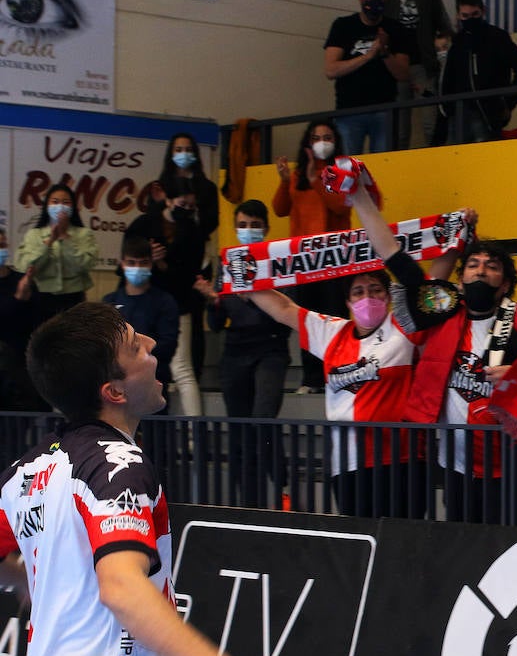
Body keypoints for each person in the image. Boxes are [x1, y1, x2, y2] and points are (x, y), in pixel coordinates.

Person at [0, 302, 277, 656]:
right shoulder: (120, 465)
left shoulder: (27, 470)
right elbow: (123, 589)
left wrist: (36, 584)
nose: (152, 344)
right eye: (135, 345)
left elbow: (12, 554)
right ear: (115, 391)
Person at [334, 164, 517, 525]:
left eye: (491, 267)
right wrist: (359, 197)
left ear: (504, 285)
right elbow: (395, 258)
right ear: (462, 276)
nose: (481, 271)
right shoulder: (444, 310)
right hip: (455, 468)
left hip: (513, 472)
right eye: (473, 264)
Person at [246, 269, 426, 520]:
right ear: (348, 302)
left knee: (402, 542)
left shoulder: (403, 328)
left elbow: (429, 287)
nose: (368, 297)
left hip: (399, 461)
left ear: (388, 296)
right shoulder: (332, 332)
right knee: (361, 544)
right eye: (358, 292)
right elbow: (283, 309)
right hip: (346, 464)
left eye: (376, 290)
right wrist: (243, 279)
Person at [196, 201, 293, 508]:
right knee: (239, 430)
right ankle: (246, 504)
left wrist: (251, 298)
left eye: (254, 225)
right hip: (234, 354)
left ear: (265, 227)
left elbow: (286, 316)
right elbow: (216, 323)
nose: (248, 231)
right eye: (242, 225)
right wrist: (214, 301)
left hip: (271, 350)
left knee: (263, 420)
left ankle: (282, 489)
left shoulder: (279, 262)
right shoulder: (226, 265)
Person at [273, 119, 381, 393]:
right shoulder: (297, 176)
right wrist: (286, 182)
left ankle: (338, 370)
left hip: (335, 259)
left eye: (327, 136)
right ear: (307, 143)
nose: (322, 141)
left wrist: (315, 179)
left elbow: (339, 206)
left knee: (335, 316)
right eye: (316, 137)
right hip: (305, 261)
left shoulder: (340, 173)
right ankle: (311, 378)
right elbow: (280, 209)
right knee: (308, 320)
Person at [124, 180, 210, 417]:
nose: (187, 210)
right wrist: (148, 258)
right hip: (144, 301)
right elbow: (129, 256)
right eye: (183, 204)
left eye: (192, 206)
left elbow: (191, 273)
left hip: (179, 302)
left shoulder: (193, 231)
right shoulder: (145, 223)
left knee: (182, 369)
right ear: (169, 200)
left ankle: (195, 434)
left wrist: (162, 262)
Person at [324, 0, 413, 154]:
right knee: (347, 171)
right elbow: (331, 70)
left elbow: (404, 74)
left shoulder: (396, 28)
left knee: (383, 170)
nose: (374, 3)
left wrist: (385, 52)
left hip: (384, 110)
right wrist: (367, 56)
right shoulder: (343, 26)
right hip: (349, 110)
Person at [438, 0, 517, 145]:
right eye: (465, 16)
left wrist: (508, 103)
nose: (470, 20)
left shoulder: (497, 38)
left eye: (475, 14)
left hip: (488, 114)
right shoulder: (458, 43)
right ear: (458, 15)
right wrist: (448, 109)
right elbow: (449, 79)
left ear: (483, 11)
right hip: (459, 114)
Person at [102, 237, 180, 402]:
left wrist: (131, 355)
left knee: (154, 427)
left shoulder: (165, 302)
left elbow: (168, 345)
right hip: (116, 383)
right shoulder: (109, 302)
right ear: (122, 264)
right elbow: (102, 343)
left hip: (153, 381)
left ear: (151, 264)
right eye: (131, 262)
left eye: (143, 263)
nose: (137, 268)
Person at [385, 0, 452, 149]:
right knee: (399, 131)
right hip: (397, 70)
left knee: (431, 125)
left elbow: (444, 26)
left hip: (425, 66)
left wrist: (441, 43)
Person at [14, 183, 99, 325]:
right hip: (40, 298)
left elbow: (85, 265)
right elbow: (26, 266)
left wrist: (65, 237)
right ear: (47, 206)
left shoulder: (84, 234)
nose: (60, 206)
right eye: (55, 202)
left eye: (66, 202)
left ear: (73, 208)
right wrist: (49, 242)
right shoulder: (34, 234)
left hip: (74, 299)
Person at [0, 227, 43, 411]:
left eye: (2, 244)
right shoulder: (20, 287)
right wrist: (17, 299)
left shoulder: (22, 280)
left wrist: (24, 299)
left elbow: (36, 322)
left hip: (21, 367)